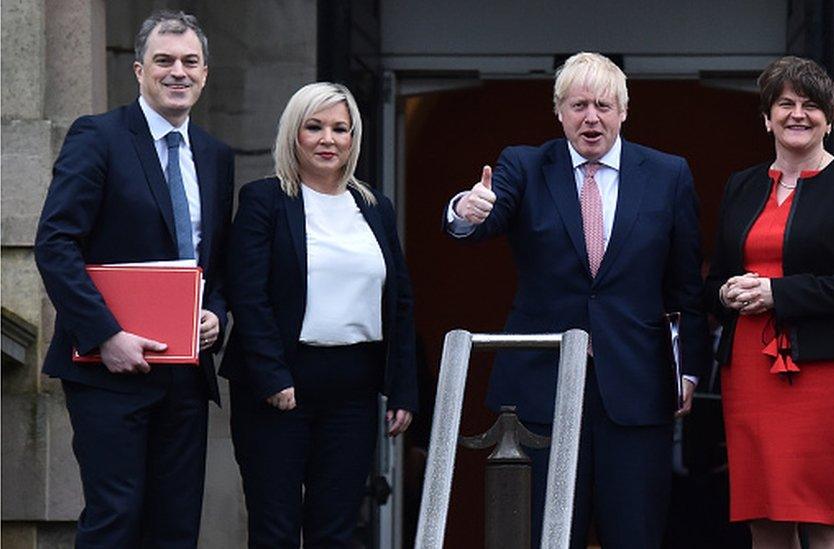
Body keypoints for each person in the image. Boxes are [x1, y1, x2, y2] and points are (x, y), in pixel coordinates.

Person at [444, 52, 709, 549]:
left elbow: (684, 287)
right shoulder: (523, 165)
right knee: (546, 535)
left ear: (624, 111)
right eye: (579, 105)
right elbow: (482, 218)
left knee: (635, 534)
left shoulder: (668, 174)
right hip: (541, 388)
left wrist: (687, 370)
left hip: (636, 388)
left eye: (604, 105)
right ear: (559, 112)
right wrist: (466, 209)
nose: (592, 118)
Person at [33, 10, 234, 547]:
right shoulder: (97, 137)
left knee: (175, 529)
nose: (178, 72)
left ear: (205, 73)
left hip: (185, 376)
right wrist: (105, 334)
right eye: (164, 61)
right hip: (110, 372)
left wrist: (214, 310)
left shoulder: (215, 156)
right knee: (115, 520)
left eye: (190, 61)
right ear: (139, 71)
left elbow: (215, 259)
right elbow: (55, 243)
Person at [704, 56, 834, 549]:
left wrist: (776, 293)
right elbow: (714, 277)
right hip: (749, 370)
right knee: (764, 517)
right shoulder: (741, 186)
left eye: (811, 105)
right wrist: (724, 293)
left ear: (829, 118)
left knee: (825, 515)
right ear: (766, 117)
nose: (797, 114)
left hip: (827, 371)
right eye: (784, 104)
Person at [221, 82, 418, 548]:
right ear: (294, 134)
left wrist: (403, 388)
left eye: (339, 129)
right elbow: (249, 296)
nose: (327, 139)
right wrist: (272, 377)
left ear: (353, 139)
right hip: (278, 390)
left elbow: (401, 302)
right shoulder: (264, 201)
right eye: (315, 127)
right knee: (276, 531)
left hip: (353, 392)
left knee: (336, 531)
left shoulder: (375, 208)